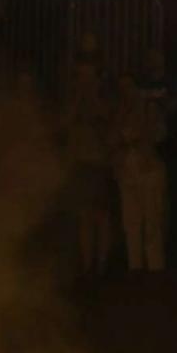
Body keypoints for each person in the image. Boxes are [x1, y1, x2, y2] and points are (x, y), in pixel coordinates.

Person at [63, 59, 113, 280]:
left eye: (89, 76)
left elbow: (108, 123)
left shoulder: (103, 101)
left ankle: (101, 265)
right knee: (84, 217)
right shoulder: (73, 101)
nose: (85, 80)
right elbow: (64, 123)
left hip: (99, 164)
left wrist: (91, 100)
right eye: (81, 76)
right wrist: (78, 100)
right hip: (81, 165)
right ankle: (87, 266)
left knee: (101, 217)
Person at [114, 72, 167, 274]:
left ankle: (155, 270)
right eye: (122, 87)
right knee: (131, 222)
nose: (126, 91)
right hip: (127, 171)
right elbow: (111, 138)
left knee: (152, 221)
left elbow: (159, 135)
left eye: (129, 86)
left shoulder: (150, 110)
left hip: (149, 171)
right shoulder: (119, 110)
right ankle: (135, 268)